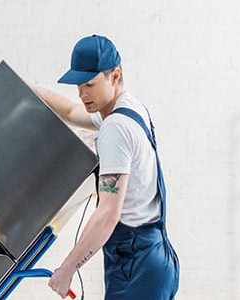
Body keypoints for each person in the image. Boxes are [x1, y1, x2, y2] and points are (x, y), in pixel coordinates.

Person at [31, 35, 179, 299]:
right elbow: (70, 112)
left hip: (137, 266)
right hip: (154, 257)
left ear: (114, 75)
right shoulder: (127, 108)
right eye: (78, 84)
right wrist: (31, 89)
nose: (81, 93)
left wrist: (67, 269)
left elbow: (108, 213)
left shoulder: (115, 128)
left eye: (89, 84)